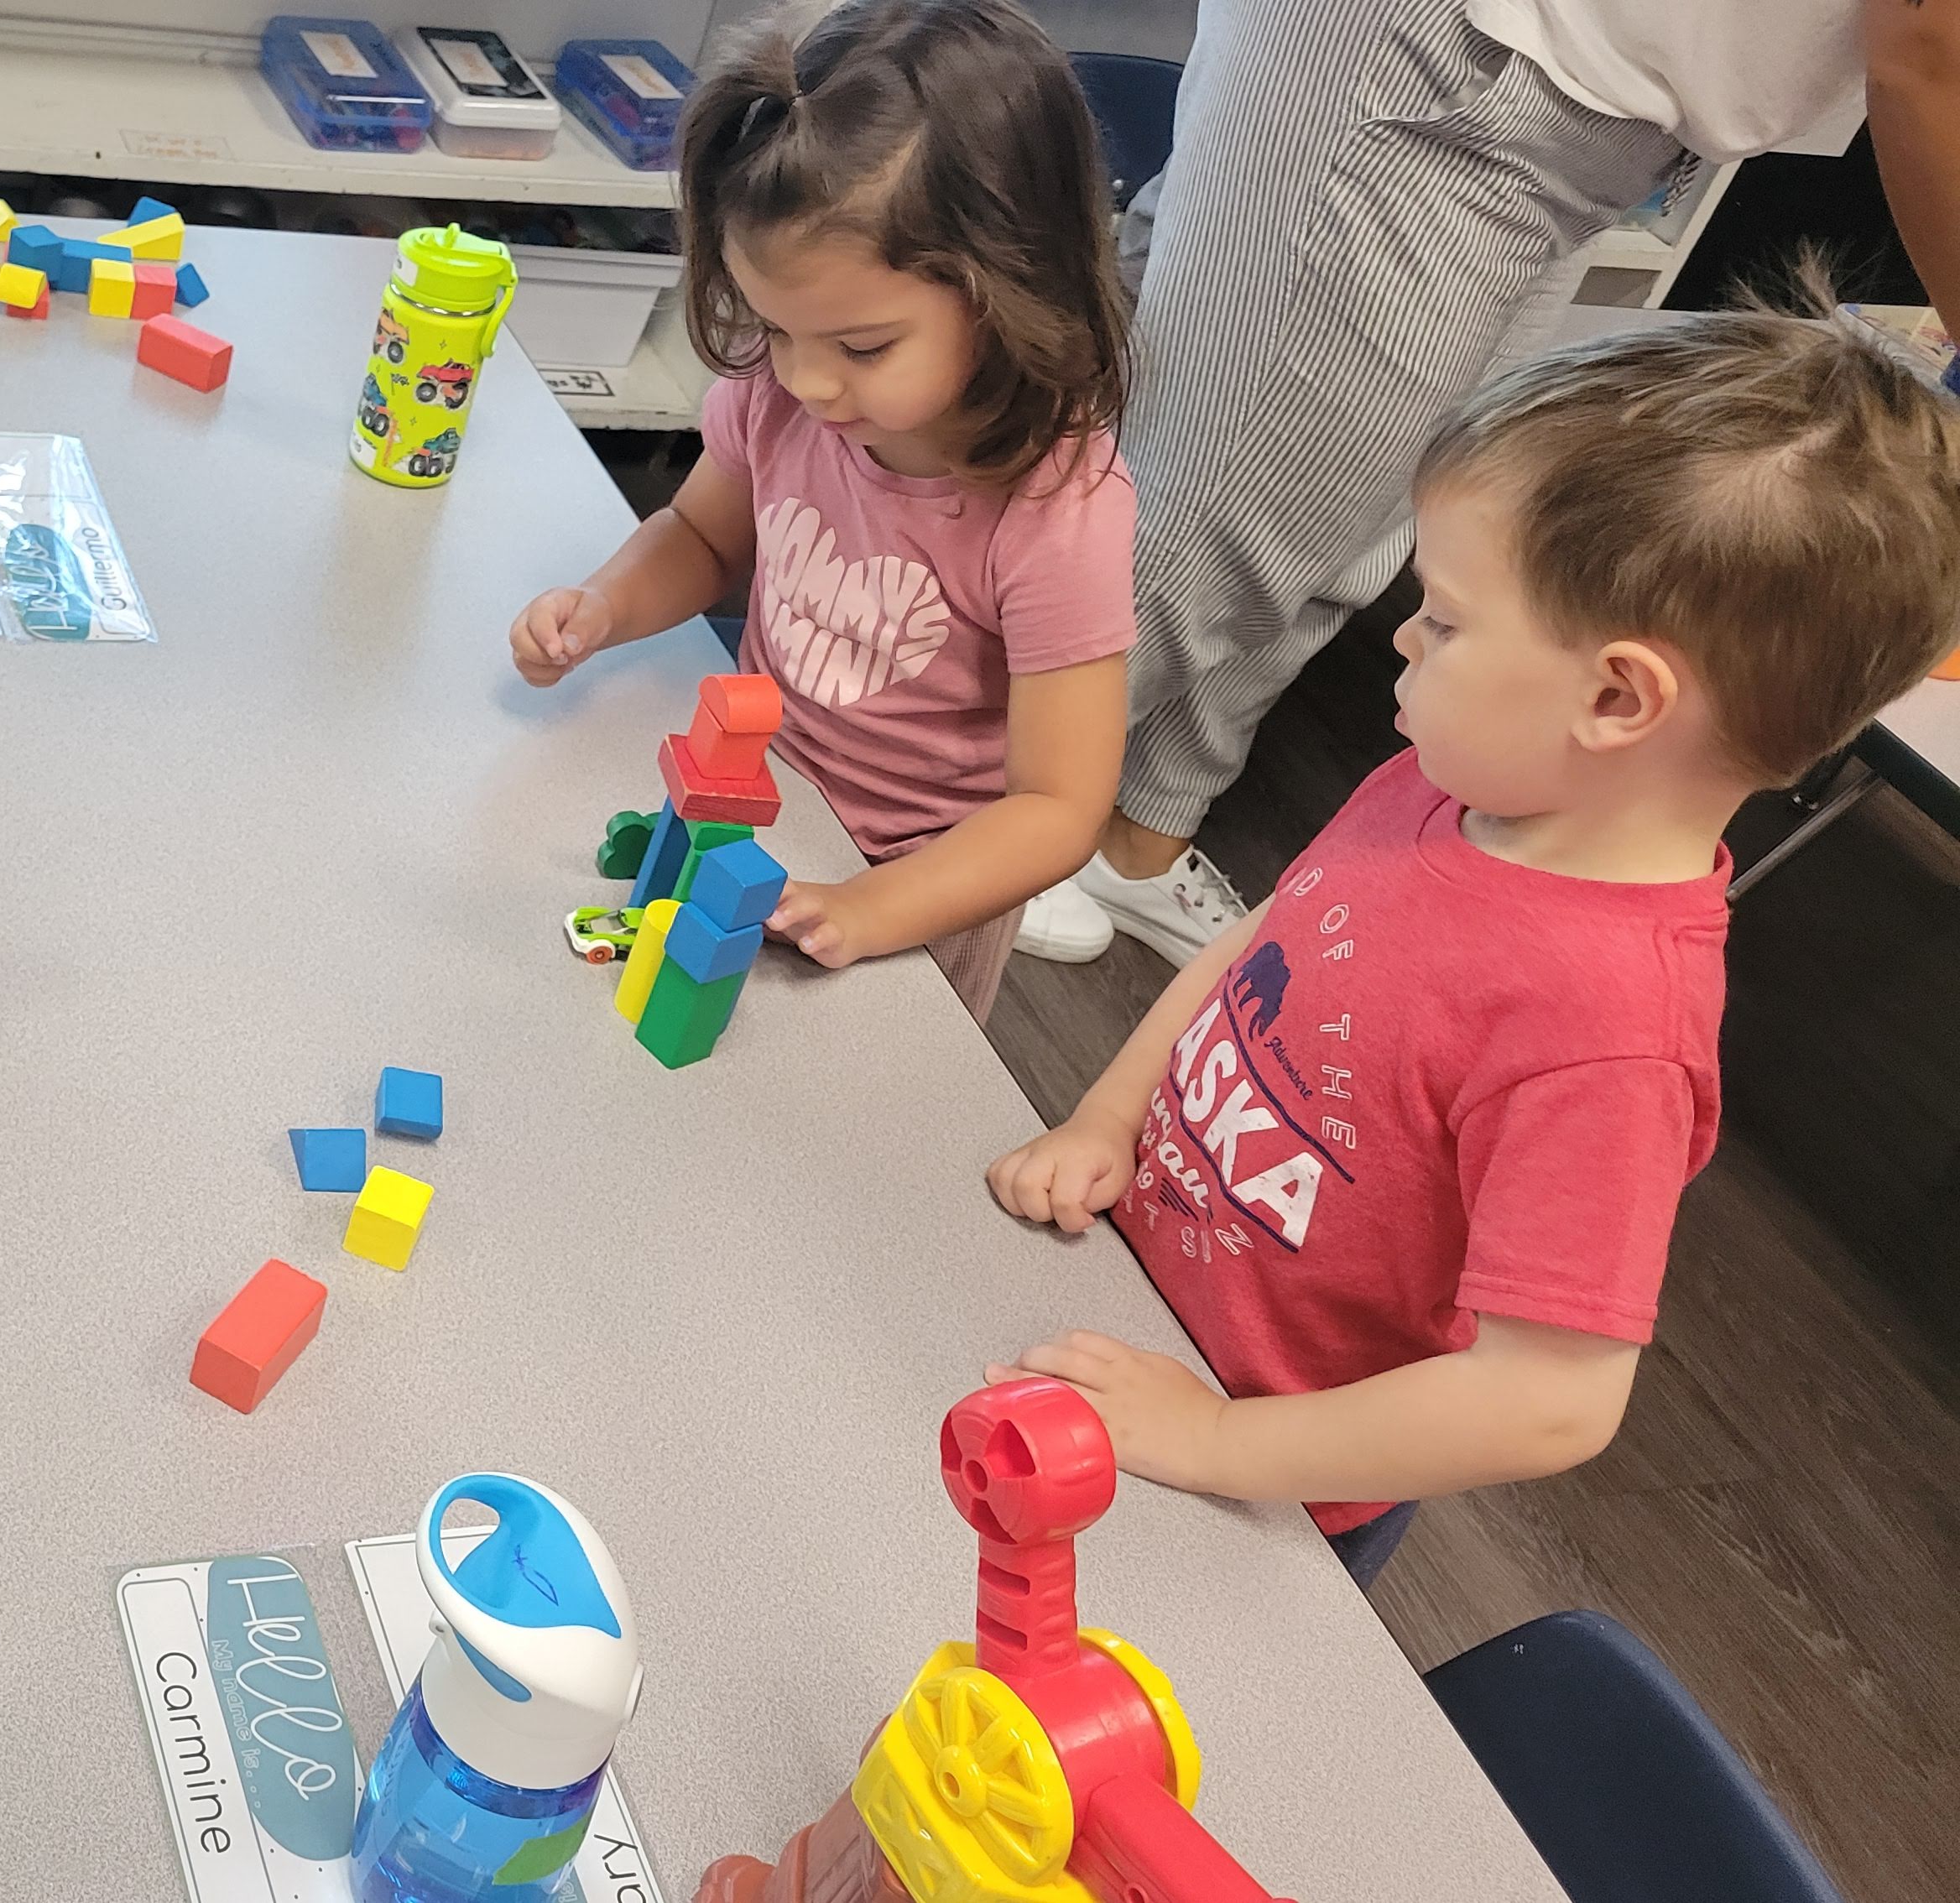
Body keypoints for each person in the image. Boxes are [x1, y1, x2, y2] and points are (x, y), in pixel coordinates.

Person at [986, 305, 1960, 1586]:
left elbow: (1551, 1400)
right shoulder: (1443, 785)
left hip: (1255, 1487)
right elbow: (1260, 955)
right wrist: (1109, 1120)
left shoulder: (1609, 1036)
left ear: (1618, 698)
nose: (1403, 636)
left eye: (1444, 620)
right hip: (1130, 1311)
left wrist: (1223, 1439)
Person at [1020, 0, 1960, 968]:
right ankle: (959, 814)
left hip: (1598, 117)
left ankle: (1135, 842)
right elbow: (1926, 51)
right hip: (1458, 53)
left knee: (1375, 530)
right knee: (1223, 516)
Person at [506, 0, 1134, 1021]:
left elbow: (1059, 806)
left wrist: (875, 906)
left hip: (916, 887)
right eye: (774, 328)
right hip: (757, 801)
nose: (806, 382)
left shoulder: (1059, 513)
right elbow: (705, 537)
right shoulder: (782, 390)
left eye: (863, 347)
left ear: (1016, 286)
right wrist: (603, 608)